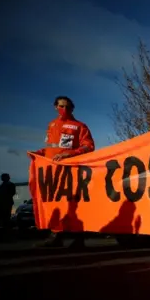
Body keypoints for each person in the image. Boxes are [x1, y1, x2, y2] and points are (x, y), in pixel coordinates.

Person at [33, 96, 95, 248]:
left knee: (75, 204)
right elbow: (51, 147)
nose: (64, 110)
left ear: (72, 108)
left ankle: (78, 239)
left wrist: (70, 153)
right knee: (55, 205)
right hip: (52, 172)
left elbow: (89, 146)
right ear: (55, 107)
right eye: (61, 106)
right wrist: (40, 153)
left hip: (71, 171)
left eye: (67, 107)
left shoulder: (79, 126)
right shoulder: (52, 125)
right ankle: (56, 237)